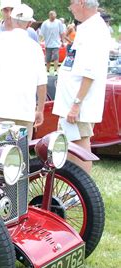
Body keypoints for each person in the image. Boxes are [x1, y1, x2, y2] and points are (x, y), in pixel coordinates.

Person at [52, 0, 111, 174]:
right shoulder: (87, 27)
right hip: (71, 102)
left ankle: (83, 192)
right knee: (69, 147)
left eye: (72, 3)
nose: (70, 8)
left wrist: (77, 104)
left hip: (77, 104)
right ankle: (73, 189)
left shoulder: (95, 30)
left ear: (82, 3)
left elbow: (90, 71)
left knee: (79, 149)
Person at [0, 3, 47, 141]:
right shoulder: (36, 48)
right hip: (25, 111)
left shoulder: (1, 39)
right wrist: (40, 109)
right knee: (20, 154)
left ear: (13, 20)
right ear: (28, 24)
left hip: (1, 108)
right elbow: (42, 83)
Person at [0, 0, 38, 87]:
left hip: (24, 87)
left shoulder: (31, 33)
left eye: (12, 9)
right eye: (6, 10)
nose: (9, 14)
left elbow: (36, 63)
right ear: (1, 11)